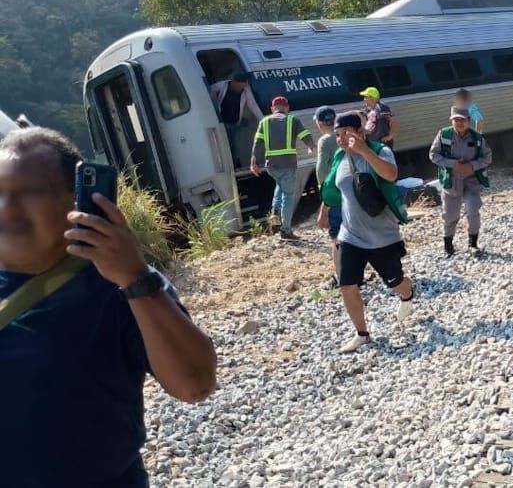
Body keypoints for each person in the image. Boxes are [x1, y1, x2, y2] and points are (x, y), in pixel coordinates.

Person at [0, 128, 217, 486]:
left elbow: (195, 384)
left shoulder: (119, 285)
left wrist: (134, 278)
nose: (8, 209)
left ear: (80, 202)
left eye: (30, 193)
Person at [317, 112, 414, 353]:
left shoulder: (380, 151)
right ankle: (362, 334)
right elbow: (333, 186)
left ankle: (408, 294)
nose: (340, 140)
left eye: (346, 134)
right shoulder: (339, 157)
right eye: (337, 135)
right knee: (346, 284)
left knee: (395, 282)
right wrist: (324, 210)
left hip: (382, 236)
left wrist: (364, 151)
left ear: (360, 133)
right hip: (350, 235)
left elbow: (391, 175)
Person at [429, 105, 493, 257]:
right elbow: (433, 155)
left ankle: (473, 244)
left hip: (471, 182)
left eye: (462, 120)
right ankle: (448, 246)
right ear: (451, 121)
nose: (459, 123)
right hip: (451, 181)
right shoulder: (443, 134)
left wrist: (472, 166)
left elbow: (487, 157)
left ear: (469, 120)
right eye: (456, 120)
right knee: (450, 214)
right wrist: (453, 164)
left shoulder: (477, 138)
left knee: (472, 210)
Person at [250, 96, 316, 241]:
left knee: (279, 185)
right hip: (288, 163)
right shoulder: (293, 120)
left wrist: (254, 162)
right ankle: (286, 230)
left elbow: (258, 143)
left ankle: (275, 211)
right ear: (287, 107)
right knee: (288, 195)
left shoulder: (264, 121)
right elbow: (305, 135)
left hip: (271, 165)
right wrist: (311, 146)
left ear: (272, 109)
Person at [209, 73, 263, 169]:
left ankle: (233, 165)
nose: (239, 89)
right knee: (221, 145)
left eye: (242, 87)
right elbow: (209, 93)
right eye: (238, 86)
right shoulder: (221, 85)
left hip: (233, 123)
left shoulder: (246, 92)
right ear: (233, 82)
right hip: (221, 121)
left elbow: (254, 107)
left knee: (232, 145)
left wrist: (263, 120)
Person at [313, 106, 341, 287]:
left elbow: (322, 168)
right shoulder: (343, 136)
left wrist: (323, 194)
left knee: (337, 236)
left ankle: (341, 276)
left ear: (320, 123)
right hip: (350, 190)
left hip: (335, 192)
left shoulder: (325, 140)